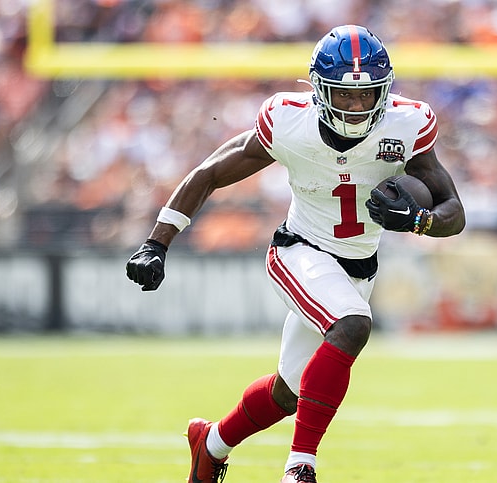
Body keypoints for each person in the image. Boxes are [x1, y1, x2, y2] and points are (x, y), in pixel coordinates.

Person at [125, 24, 465, 483]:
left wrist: (419, 222)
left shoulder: (407, 124)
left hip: (358, 268)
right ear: (320, 91)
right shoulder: (289, 121)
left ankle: (210, 445)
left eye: (367, 95)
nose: (357, 106)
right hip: (299, 250)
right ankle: (300, 468)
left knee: (288, 394)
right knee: (352, 326)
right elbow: (209, 173)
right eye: (344, 96)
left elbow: (454, 211)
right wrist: (156, 243)